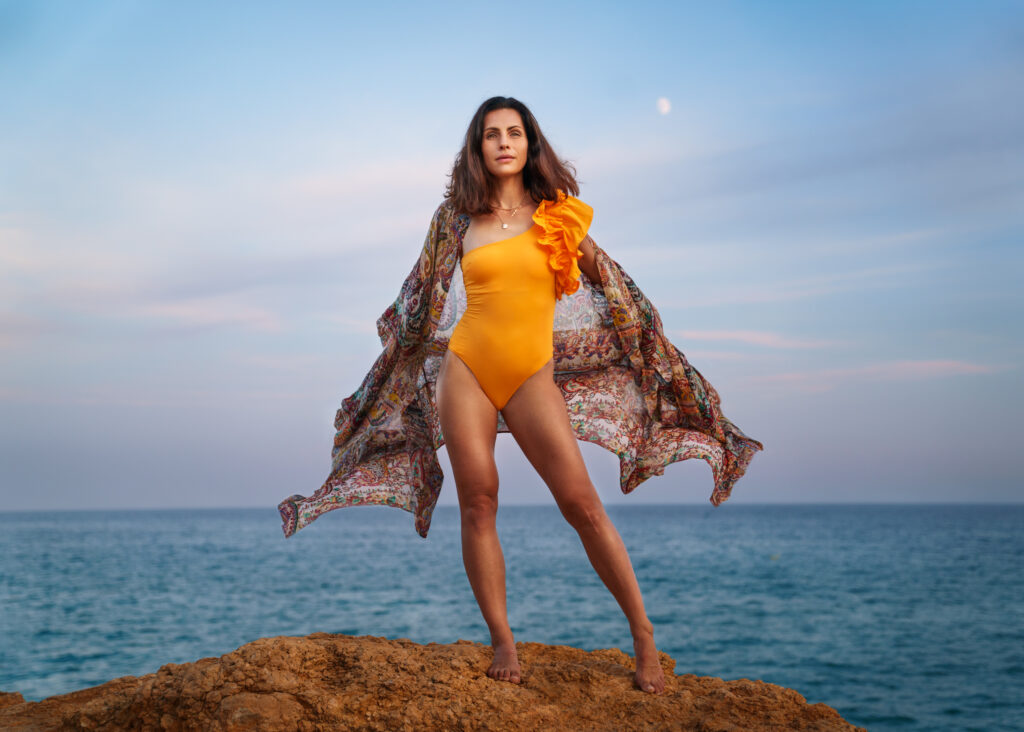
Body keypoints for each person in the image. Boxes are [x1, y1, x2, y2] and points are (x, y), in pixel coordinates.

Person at [278, 96, 764, 695]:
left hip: (533, 374)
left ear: (530, 144)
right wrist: (394, 366)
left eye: (514, 132)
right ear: (477, 148)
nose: (504, 142)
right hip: (467, 368)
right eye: (491, 134)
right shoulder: (455, 219)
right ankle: (503, 637)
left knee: (581, 503)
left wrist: (655, 357)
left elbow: (617, 289)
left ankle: (643, 635)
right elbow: (419, 294)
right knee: (479, 502)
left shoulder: (559, 216)